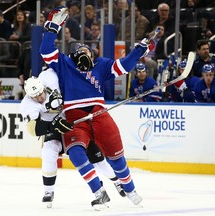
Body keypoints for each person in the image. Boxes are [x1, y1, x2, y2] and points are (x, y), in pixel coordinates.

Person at [40, 6, 152, 209]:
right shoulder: (64, 64)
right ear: (74, 55)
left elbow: (123, 66)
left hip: (100, 115)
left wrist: (138, 52)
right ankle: (98, 191)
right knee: (75, 153)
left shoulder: (101, 65)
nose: (86, 53)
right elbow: (46, 50)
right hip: (74, 118)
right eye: (81, 50)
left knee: (117, 159)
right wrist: (53, 27)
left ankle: (130, 189)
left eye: (89, 51)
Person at [20, 68, 126, 208]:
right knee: (48, 152)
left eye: (41, 93)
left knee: (96, 158)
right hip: (54, 128)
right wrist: (53, 126)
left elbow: (65, 67)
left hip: (74, 122)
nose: (40, 98)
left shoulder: (49, 77)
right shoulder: (27, 105)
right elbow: (33, 128)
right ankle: (48, 191)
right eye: (35, 97)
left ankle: (116, 181)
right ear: (28, 95)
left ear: (43, 86)